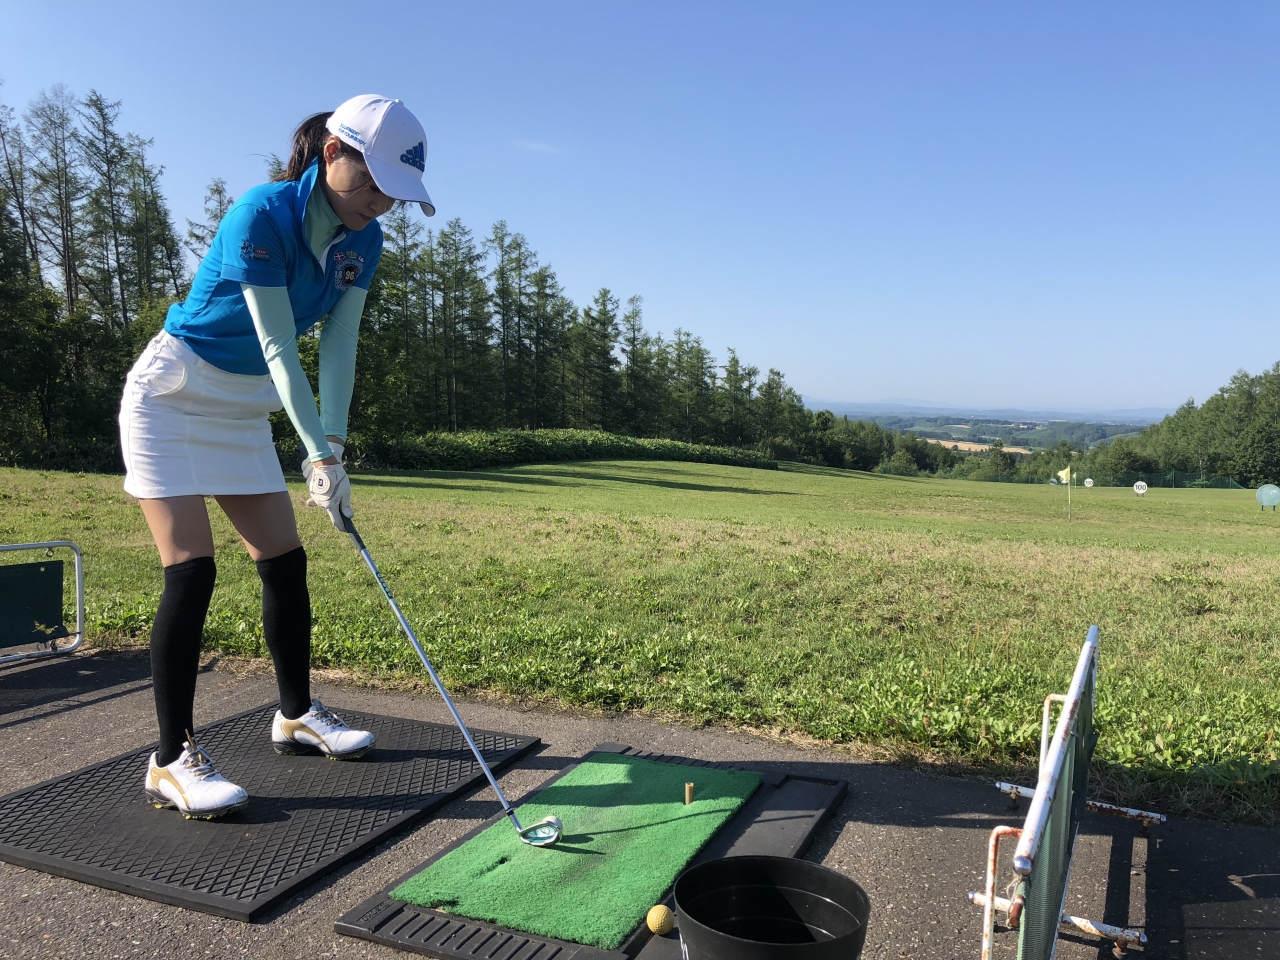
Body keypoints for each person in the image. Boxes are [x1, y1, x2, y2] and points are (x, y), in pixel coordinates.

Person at [118, 95, 435, 819]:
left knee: (285, 561)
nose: (382, 202)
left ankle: (294, 716)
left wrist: (336, 446)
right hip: (172, 394)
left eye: (395, 190)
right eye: (374, 181)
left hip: (242, 405)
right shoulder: (261, 213)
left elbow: (341, 343)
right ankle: (170, 760)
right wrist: (315, 455)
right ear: (332, 153)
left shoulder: (365, 242)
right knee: (192, 570)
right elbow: (278, 344)